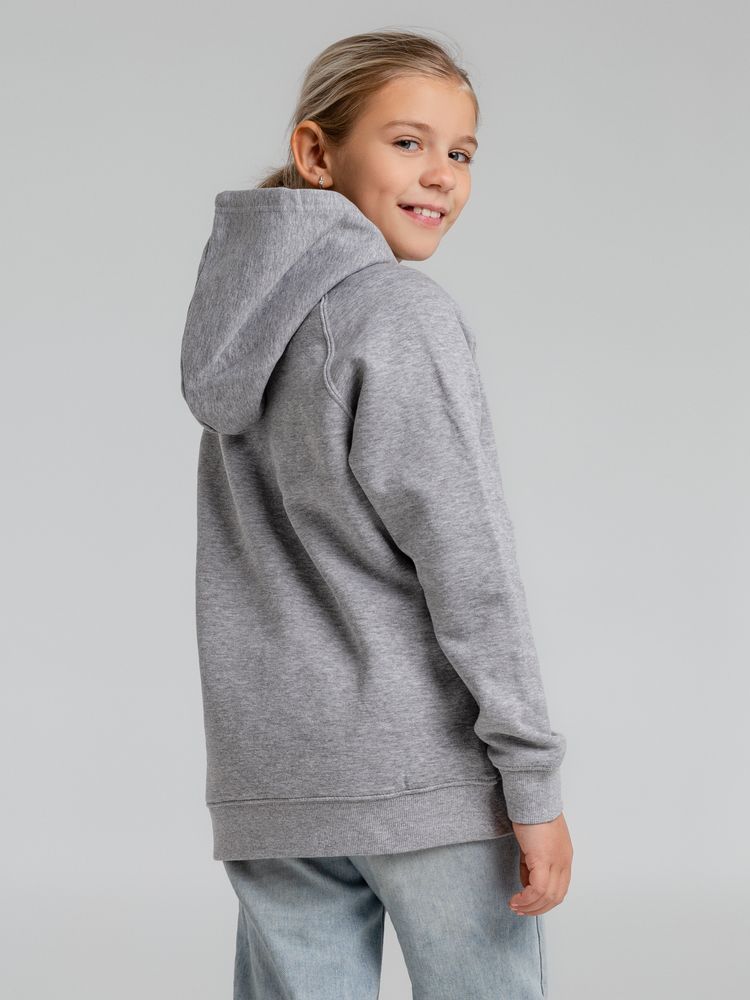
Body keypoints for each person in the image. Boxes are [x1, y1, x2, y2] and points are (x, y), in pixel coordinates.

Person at [180, 28, 573, 1000]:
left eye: (462, 152)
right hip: (422, 776)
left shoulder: (245, 332)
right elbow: (469, 563)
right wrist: (531, 779)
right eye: (407, 142)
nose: (441, 174)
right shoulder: (397, 311)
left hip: (274, 780)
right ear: (317, 153)